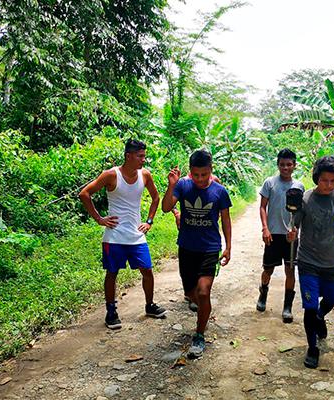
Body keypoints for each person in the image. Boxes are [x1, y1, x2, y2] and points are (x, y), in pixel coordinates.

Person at [79, 138, 166, 330]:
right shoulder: (111, 175)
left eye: (144, 156)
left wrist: (149, 221)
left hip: (136, 234)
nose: (143, 160)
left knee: (148, 271)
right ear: (128, 156)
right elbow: (85, 194)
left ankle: (150, 305)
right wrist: (99, 219)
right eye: (139, 156)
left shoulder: (145, 175)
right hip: (115, 236)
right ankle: (111, 312)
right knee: (112, 273)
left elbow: (156, 197)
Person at [287, 156, 334, 369]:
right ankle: (312, 347)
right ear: (316, 179)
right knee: (310, 307)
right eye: (324, 180)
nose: (328, 185)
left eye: (333, 181)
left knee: (330, 300)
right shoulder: (306, 199)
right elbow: (294, 224)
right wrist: (291, 234)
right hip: (308, 260)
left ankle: (321, 316)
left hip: (331, 261)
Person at [162, 149, 232, 359]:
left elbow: (226, 220)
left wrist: (228, 246)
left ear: (211, 170)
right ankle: (204, 311)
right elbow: (166, 208)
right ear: (190, 172)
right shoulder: (182, 186)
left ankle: (199, 334)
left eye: (204, 174)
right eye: (196, 175)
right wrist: (171, 184)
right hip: (186, 248)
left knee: (203, 292)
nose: (200, 179)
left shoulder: (220, 191)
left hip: (210, 248)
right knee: (191, 293)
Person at [256, 148, 305, 323]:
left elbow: (300, 212)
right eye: (282, 164)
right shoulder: (270, 183)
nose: (286, 168)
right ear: (277, 165)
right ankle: (263, 291)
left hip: (291, 236)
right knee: (268, 269)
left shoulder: (299, 186)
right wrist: (265, 228)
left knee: (290, 270)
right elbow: (263, 207)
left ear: (294, 165)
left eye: (289, 164)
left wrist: (296, 229)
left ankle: (287, 307)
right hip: (273, 234)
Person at [171, 173, 222, 313]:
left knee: (204, 286)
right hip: (189, 235)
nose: (200, 178)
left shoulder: (215, 180)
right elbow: (171, 202)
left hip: (208, 238)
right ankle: (193, 296)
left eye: (204, 173)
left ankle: (202, 305)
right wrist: (177, 214)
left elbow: (219, 203)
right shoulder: (183, 183)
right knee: (188, 273)